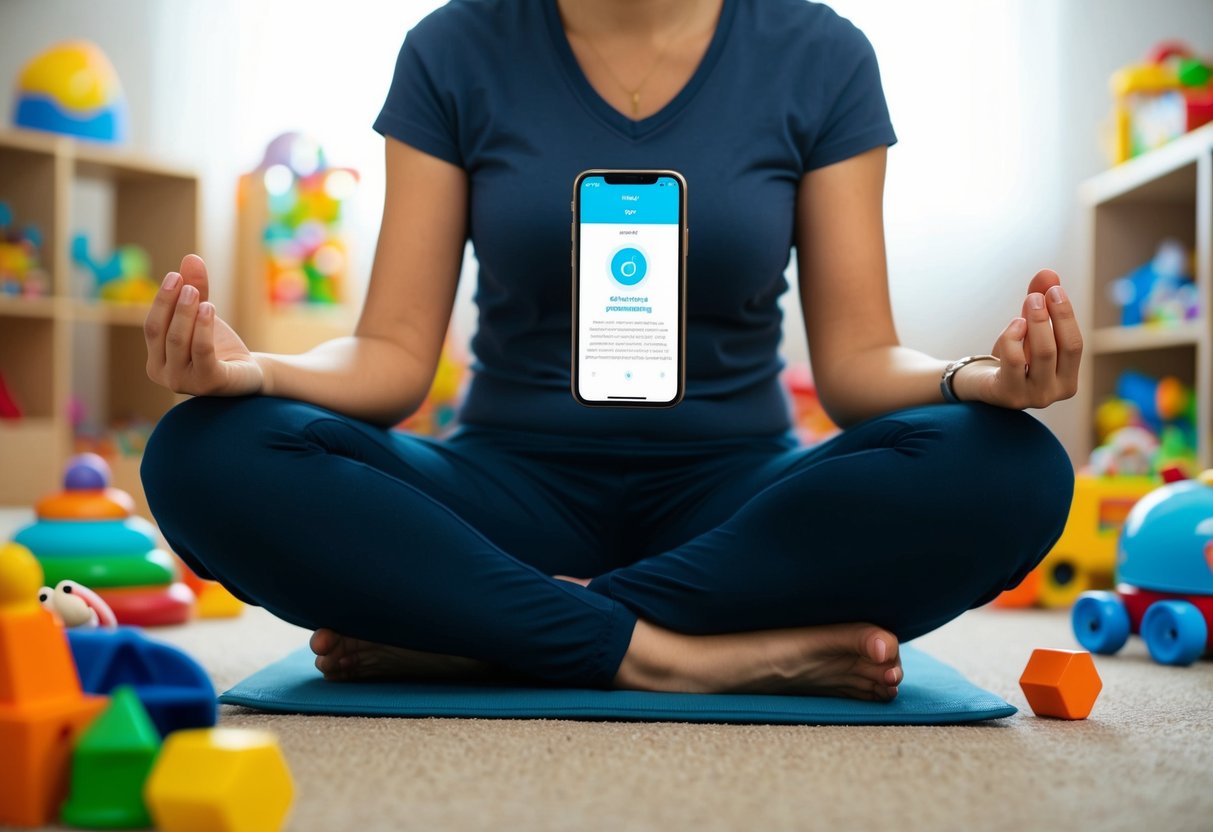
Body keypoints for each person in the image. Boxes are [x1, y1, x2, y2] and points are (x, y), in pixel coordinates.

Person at [141, 0, 1080, 701]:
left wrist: (975, 380)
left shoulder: (822, 54)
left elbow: (859, 362)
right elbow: (389, 357)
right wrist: (249, 372)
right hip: (501, 496)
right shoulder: (452, 48)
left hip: (739, 513)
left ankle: (477, 631)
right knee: (204, 450)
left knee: (1010, 468)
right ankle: (682, 656)